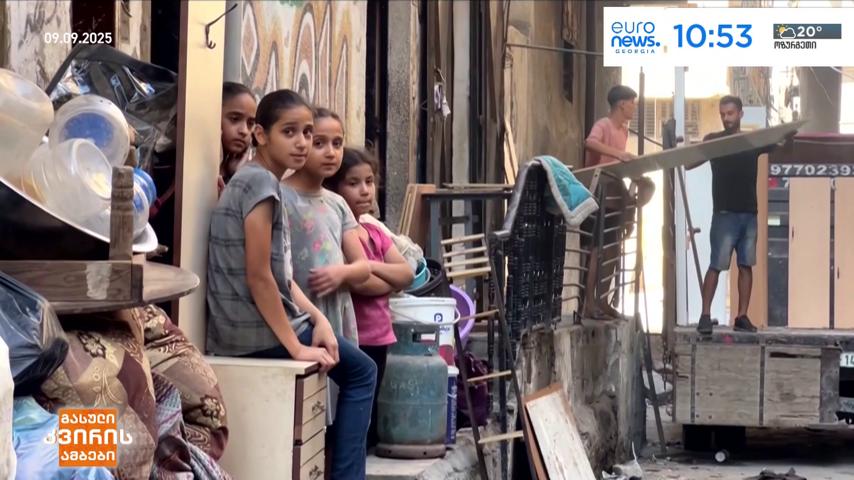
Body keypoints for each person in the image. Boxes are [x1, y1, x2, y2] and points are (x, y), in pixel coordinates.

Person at [206, 89, 376, 478]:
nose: (301, 143)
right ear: (261, 135)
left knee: (354, 365)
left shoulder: (259, 182)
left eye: (307, 133)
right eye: (289, 132)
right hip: (251, 333)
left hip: (258, 326)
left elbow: (281, 275)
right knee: (362, 373)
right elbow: (259, 276)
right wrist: (296, 346)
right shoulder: (260, 186)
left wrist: (320, 319)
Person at [324, 147, 414, 448]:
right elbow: (362, 285)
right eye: (353, 183)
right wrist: (383, 277)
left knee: (367, 416)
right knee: (344, 416)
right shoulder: (337, 231)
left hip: (380, 336)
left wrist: (369, 266)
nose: (364, 190)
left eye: (369, 181)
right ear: (335, 188)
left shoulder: (374, 232)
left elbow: (406, 273)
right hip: (351, 336)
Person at [689, 95, 783, 335]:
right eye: (722, 114)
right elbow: (689, 163)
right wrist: (685, 153)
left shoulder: (752, 141)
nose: (726, 118)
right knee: (716, 265)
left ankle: (742, 316)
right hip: (724, 214)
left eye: (730, 113)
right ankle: (705, 316)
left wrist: (788, 133)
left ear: (740, 114)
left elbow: (780, 144)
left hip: (749, 214)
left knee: (745, 265)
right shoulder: (714, 141)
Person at [282, 108, 371, 343]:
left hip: (336, 311)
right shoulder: (280, 197)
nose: (331, 152)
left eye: (337, 143)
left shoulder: (337, 203)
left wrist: (342, 273)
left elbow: (363, 267)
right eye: (319, 143)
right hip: (298, 314)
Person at [581, 85, 654, 318]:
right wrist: (619, 154)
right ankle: (588, 304)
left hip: (613, 196)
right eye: (632, 103)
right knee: (595, 249)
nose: (634, 107)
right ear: (622, 104)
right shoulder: (604, 125)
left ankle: (603, 301)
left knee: (612, 249)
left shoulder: (623, 131)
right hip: (596, 194)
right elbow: (590, 143)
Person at [218, 82, 256, 194]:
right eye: (234, 119)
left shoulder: (239, 175)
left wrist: (237, 176)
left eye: (250, 124)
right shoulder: (183, 165)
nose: (244, 131)